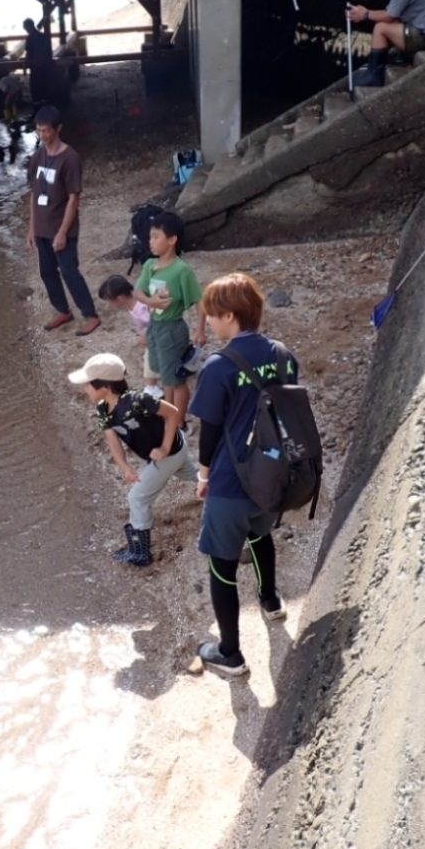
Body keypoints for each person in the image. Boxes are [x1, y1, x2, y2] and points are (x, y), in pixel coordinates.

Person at [188, 273, 300, 677]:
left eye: (213, 316)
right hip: (272, 477)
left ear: (231, 316)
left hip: (231, 483)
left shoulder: (219, 366)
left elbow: (211, 430)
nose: (211, 324)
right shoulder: (283, 354)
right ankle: (271, 601)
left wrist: (203, 475)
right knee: (260, 534)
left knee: (221, 567)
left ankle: (230, 654)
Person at [68, 353, 198, 567]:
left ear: (105, 385)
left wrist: (165, 447)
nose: (85, 389)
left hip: (170, 452)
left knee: (137, 498)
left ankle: (140, 552)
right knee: (197, 477)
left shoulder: (138, 401)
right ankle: (231, 483)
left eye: (89, 384)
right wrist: (125, 467)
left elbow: (173, 413)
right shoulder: (103, 410)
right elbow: (113, 442)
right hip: (173, 452)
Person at [27, 106, 100, 335]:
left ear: (58, 129)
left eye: (47, 130)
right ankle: (63, 310)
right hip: (42, 227)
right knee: (47, 272)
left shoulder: (70, 158)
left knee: (70, 271)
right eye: (39, 130)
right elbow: (33, 193)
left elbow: (73, 198)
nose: (43, 135)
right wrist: (32, 227)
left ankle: (91, 314)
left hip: (62, 228)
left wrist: (62, 232)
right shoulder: (38, 155)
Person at [133, 211, 206, 421]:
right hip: (155, 326)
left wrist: (200, 330)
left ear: (172, 240)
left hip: (172, 329)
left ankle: (178, 421)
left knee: (176, 379)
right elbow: (137, 291)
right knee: (165, 376)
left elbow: (200, 301)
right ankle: (170, 415)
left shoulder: (181, 271)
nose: (151, 242)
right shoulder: (149, 265)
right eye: (150, 237)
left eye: (156, 237)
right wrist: (150, 302)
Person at [97, 273, 163, 397]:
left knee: (150, 356)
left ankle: (152, 386)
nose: (109, 305)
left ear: (119, 298)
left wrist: (146, 335)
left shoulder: (142, 305)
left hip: (162, 333)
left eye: (109, 301)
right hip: (155, 336)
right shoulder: (131, 304)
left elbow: (157, 321)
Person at [23, 18, 54, 105]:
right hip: (44, 65)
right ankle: (46, 106)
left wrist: (25, 65)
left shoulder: (30, 38)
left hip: (35, 66)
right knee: (44, 85)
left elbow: (28, 53)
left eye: (25, 28)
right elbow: (49, 51)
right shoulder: (43, 36)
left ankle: (37, 108)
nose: (25, 30)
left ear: (29, 27)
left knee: (35, 88)